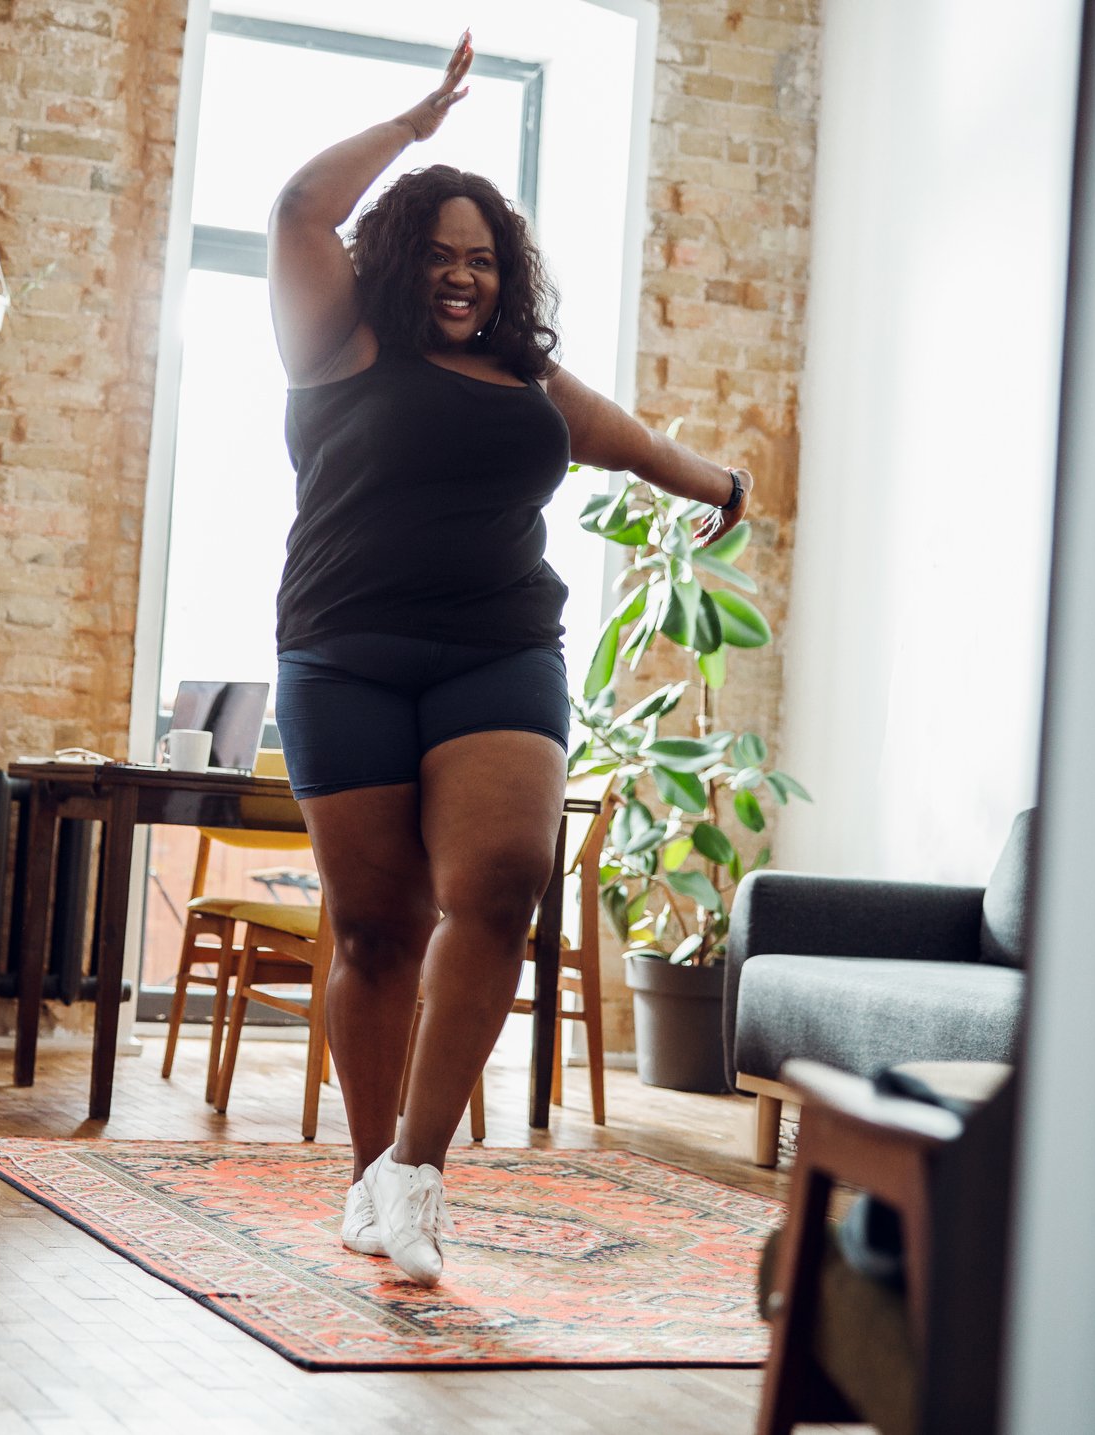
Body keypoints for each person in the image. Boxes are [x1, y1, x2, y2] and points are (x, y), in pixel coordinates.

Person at [267, 30, 752, 1287]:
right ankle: (372, 1175)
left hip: (499, 649)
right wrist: (413, 129)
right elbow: (296, 208)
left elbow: (628, 441)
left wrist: (718, 482)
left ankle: (419, 1172)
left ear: (506, 276)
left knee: (501, 881)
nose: (462, 278)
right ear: (397, 256)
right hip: (344, 654)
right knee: (378, 928)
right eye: (439, 254)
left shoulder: (524, 378)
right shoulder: (333, 342)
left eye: (482, 261)